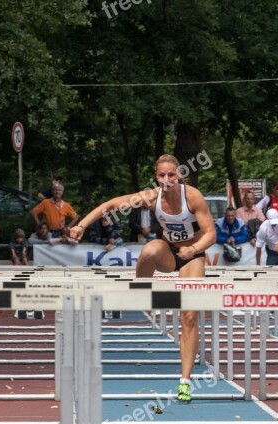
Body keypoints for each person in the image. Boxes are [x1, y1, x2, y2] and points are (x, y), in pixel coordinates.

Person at [70, 154, 216, 403]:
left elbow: (211, 233)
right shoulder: (151, 197)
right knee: (148, 250)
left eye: (171, 175)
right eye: (162, 175)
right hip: (168, 252)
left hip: (193, 256)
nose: (167, 180)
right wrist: (82, 225)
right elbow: (112, 204)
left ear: (179, 174)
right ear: (156, 177)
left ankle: (185, 381)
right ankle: (141, 298)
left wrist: (193, 249)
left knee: (189, 316)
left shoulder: (192, 196)